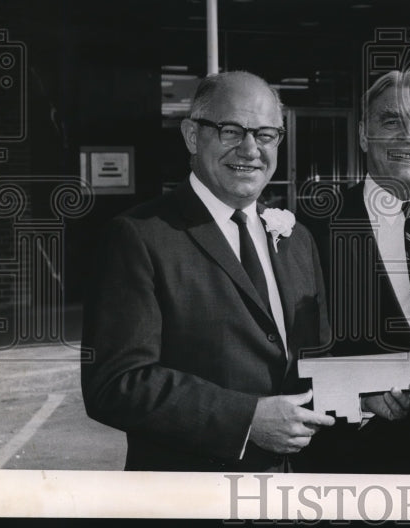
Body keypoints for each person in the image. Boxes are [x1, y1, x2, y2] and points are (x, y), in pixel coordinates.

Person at [80, 71, 338, 471]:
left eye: (266, 134)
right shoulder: (138, 236)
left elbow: (313, 362)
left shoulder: (296, 238)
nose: (250, 149)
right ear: (191, 135)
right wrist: (246, 420)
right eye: (231, 131)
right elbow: (116, 383)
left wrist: (361, 395)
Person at [304, 68, 410, 473]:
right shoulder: (315, 229)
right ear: (364, 134)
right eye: (391, 121)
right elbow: (295, 359)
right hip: (359, 467)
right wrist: (361, 398)